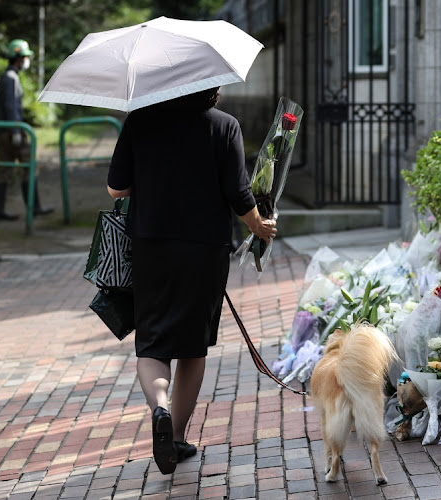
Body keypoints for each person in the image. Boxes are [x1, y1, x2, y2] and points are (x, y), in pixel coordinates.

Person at [106, 87, 276, 474]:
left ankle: (160, 410)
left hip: (150, 246)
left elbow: (117, 188)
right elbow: (239, 193)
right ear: (210, 86)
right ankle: (176, 437)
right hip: (205, 249)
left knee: (152, 343)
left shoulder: (140, 120)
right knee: (192, 347)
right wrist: (260, 226)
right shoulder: (224, 126)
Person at [0, 39, 53, 221]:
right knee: (29, 164)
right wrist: (17, 131)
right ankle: (34, 208)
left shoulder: (7, 77)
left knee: (4, 169)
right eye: (26, 57)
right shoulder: (11, 78)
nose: (27, 60)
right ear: (19, 58)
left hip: (3, 131)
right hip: (11, 131)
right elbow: (11, 106)